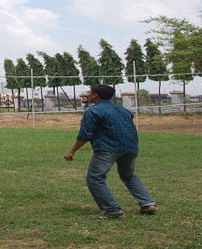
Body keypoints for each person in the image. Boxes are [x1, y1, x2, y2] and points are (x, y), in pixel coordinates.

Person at [64, 85, 157, 219]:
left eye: (90, 93)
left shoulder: (93, 111)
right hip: (130, 147)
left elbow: (85, 134)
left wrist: (72, 152)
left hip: (108, 148)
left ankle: (113, 210)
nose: (88, 95)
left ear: (96, 95)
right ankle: (148, 203)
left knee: (95, 178)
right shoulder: (123, 110)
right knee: (128, 175)